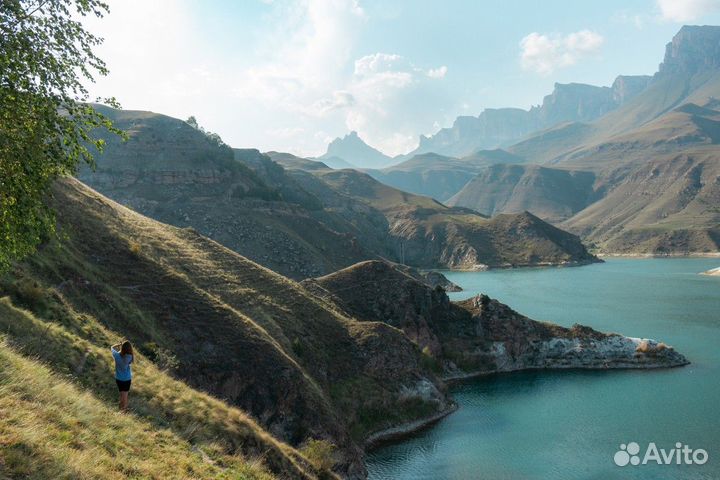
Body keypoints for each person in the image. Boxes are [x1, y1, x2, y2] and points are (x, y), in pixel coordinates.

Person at [111, 340, 134, 411]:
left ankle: (120, 410)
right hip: (127, 379)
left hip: (119, 379)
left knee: (121, 395)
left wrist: (118, 345)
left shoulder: (116, 355)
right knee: (125, 396)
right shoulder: (130, 357)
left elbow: (112, 348)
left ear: (122, 348)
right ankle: (123, 411)